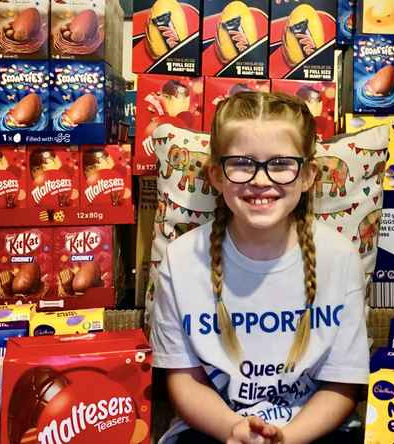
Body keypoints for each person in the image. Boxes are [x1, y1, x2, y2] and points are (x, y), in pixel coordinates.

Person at [150, 91, 369, 444]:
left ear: (308, 175)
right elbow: (183, 379)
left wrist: (287, 437)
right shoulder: (181, 260)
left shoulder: (340, 257)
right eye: (241, 163)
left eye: (281, 164)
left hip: (313, 430)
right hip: (212, 430)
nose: (261, 180)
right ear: (217, 176)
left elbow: (343, 384)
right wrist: (233, 429)